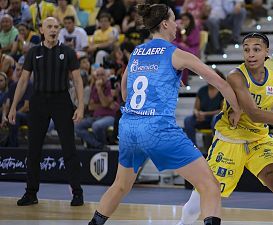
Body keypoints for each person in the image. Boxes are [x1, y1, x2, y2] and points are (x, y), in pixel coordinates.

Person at [87, 4, 240, 225]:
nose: (177, 24)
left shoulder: (137, 52)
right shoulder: (176, 54)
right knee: (210, 185)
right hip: (157, 128)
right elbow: (219, 82)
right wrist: (237, 108)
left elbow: (123, 89)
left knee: (120, 186)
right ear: (165, 24)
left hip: (129, 126)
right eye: (174, 19)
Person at [176, 33, 273, 225]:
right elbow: (253, 113)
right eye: (246, 49)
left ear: (267, 52)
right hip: (229, 140)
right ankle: (183, 222)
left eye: (256, 49)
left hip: (259, 140)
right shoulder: (236, 76)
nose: (250, 54)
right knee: (201, 199)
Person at [8, 17, 85, 206]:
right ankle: (31, 193)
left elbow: (77, 80)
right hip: (39, 101)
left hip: (61, 101)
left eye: (56, 27)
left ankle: (77, 193)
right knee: (33, 150)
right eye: (49, 26)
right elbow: (23, 81)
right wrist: (13, 107)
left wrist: (81, 105)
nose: (53, 29)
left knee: (69, 149)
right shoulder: (33, 52)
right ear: (41, 29)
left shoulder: (67, 51)